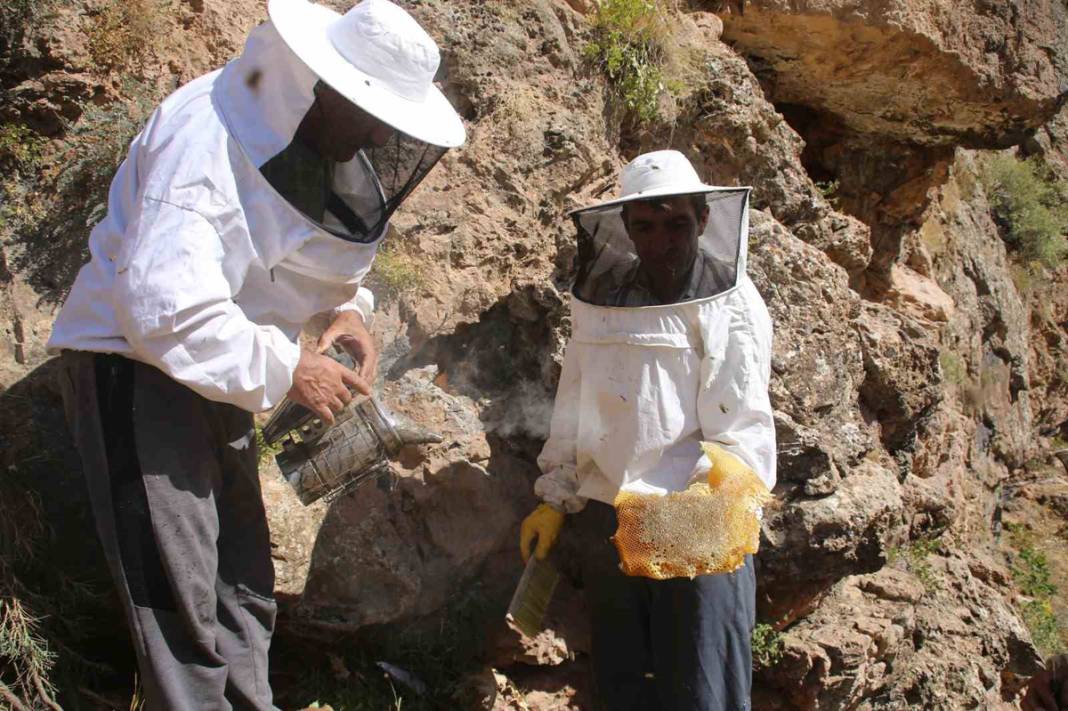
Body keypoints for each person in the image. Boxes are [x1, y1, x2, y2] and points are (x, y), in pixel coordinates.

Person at [47, 0, 466, 707]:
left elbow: (322, 268)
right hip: (135, 368)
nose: (374, 136)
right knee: (180, 600)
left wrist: (347, 315)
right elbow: (159, 306)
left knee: (241, 587)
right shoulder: (207, 133)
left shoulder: (323, 144)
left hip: (225, 377)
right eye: (368, 115)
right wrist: (288, 368)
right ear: (324, 87)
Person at [520, 150, 776, 710]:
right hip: (611, 515)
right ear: (626, 229)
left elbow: (740, 422)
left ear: (704, 219)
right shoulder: (602, 300)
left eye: (676, 224)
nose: (661, 241)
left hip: (698, 515)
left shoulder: (729, 304)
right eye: (646, 226)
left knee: (702, 692)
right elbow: (576, 401)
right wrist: (556, 498)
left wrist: (711, 505)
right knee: (623, 689)